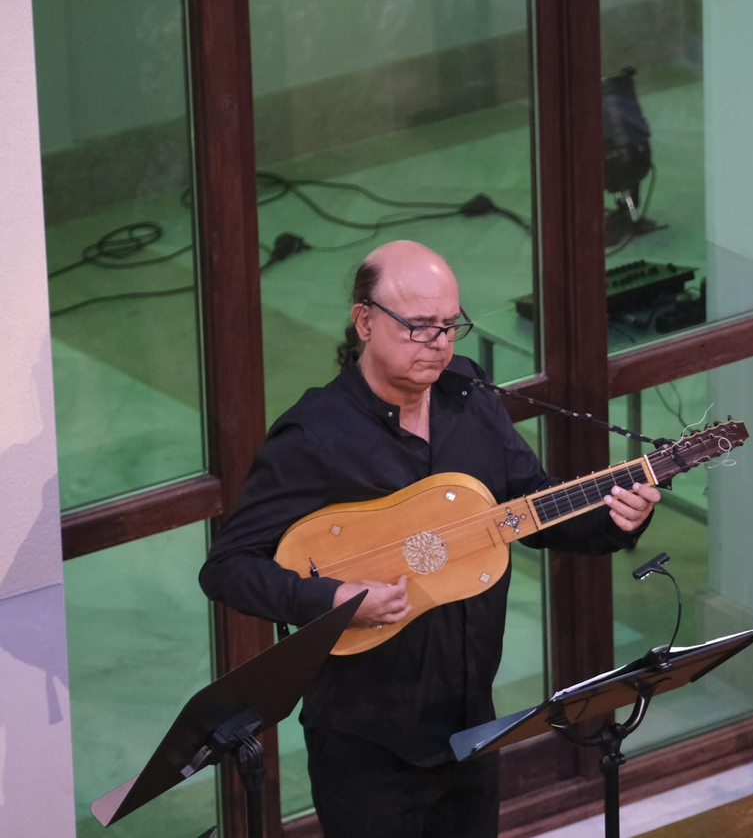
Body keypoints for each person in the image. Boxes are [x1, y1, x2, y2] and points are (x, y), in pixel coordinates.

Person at [199, 240, 659, 838]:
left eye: (450, 326)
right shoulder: (314, 435)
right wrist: (331, 600)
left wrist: (618, 518)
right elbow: (228, 567)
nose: (440, 342)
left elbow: (530, 503)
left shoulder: (467, 397)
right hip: (368, 746)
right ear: (364, 321)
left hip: (471, 726)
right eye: (419, 327)